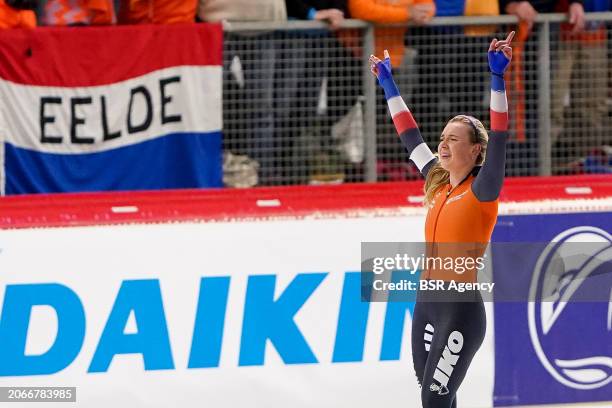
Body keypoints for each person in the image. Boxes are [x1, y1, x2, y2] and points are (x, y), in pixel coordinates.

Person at [369, 31, 514, 408]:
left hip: (460, 310)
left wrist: (497, 78)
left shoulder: (482, 190)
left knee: (435, 398)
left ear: (475, 149)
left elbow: (499, 134)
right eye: (443, 137)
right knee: (436, 398)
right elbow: (409, 135)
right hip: (426, 302)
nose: (443, 144)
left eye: (454, 139)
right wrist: (388, 83)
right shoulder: (437, 183)